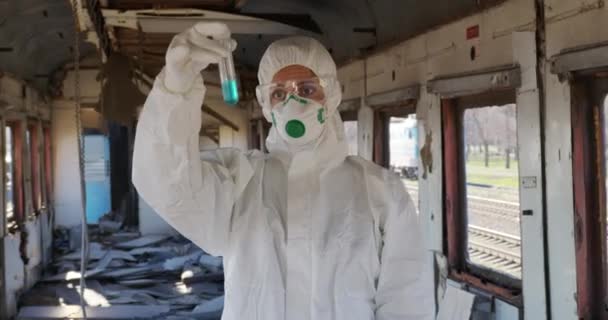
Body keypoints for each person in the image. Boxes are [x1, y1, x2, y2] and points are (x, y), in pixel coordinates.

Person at [133, 22, 434, 320]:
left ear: (330, 96)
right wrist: (174, 90)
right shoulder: (240, 180)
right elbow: (168, 183)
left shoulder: (380, 192)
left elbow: (406, 300)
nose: (294, 102)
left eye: (306, 89)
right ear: (266, 104)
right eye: (279, 93)